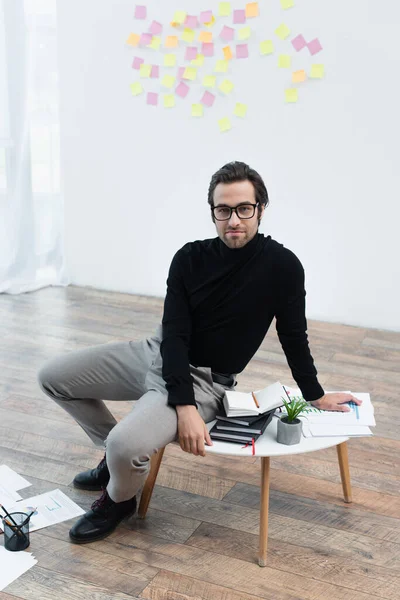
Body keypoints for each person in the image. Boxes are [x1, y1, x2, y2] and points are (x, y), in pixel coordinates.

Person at [37, 161, 361, 544]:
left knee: (128, 444)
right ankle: (114, 461)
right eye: (223, 210)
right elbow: (174, 335)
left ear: (260, 208)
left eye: (244, 208)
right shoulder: (189, 258)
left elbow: (293, 335)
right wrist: (183, 407)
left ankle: (118, 498)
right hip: (157, 352)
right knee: (53, 378)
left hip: (206, 380)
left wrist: (315, 394)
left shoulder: (283, 267)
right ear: (213, 212)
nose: (233, 220)